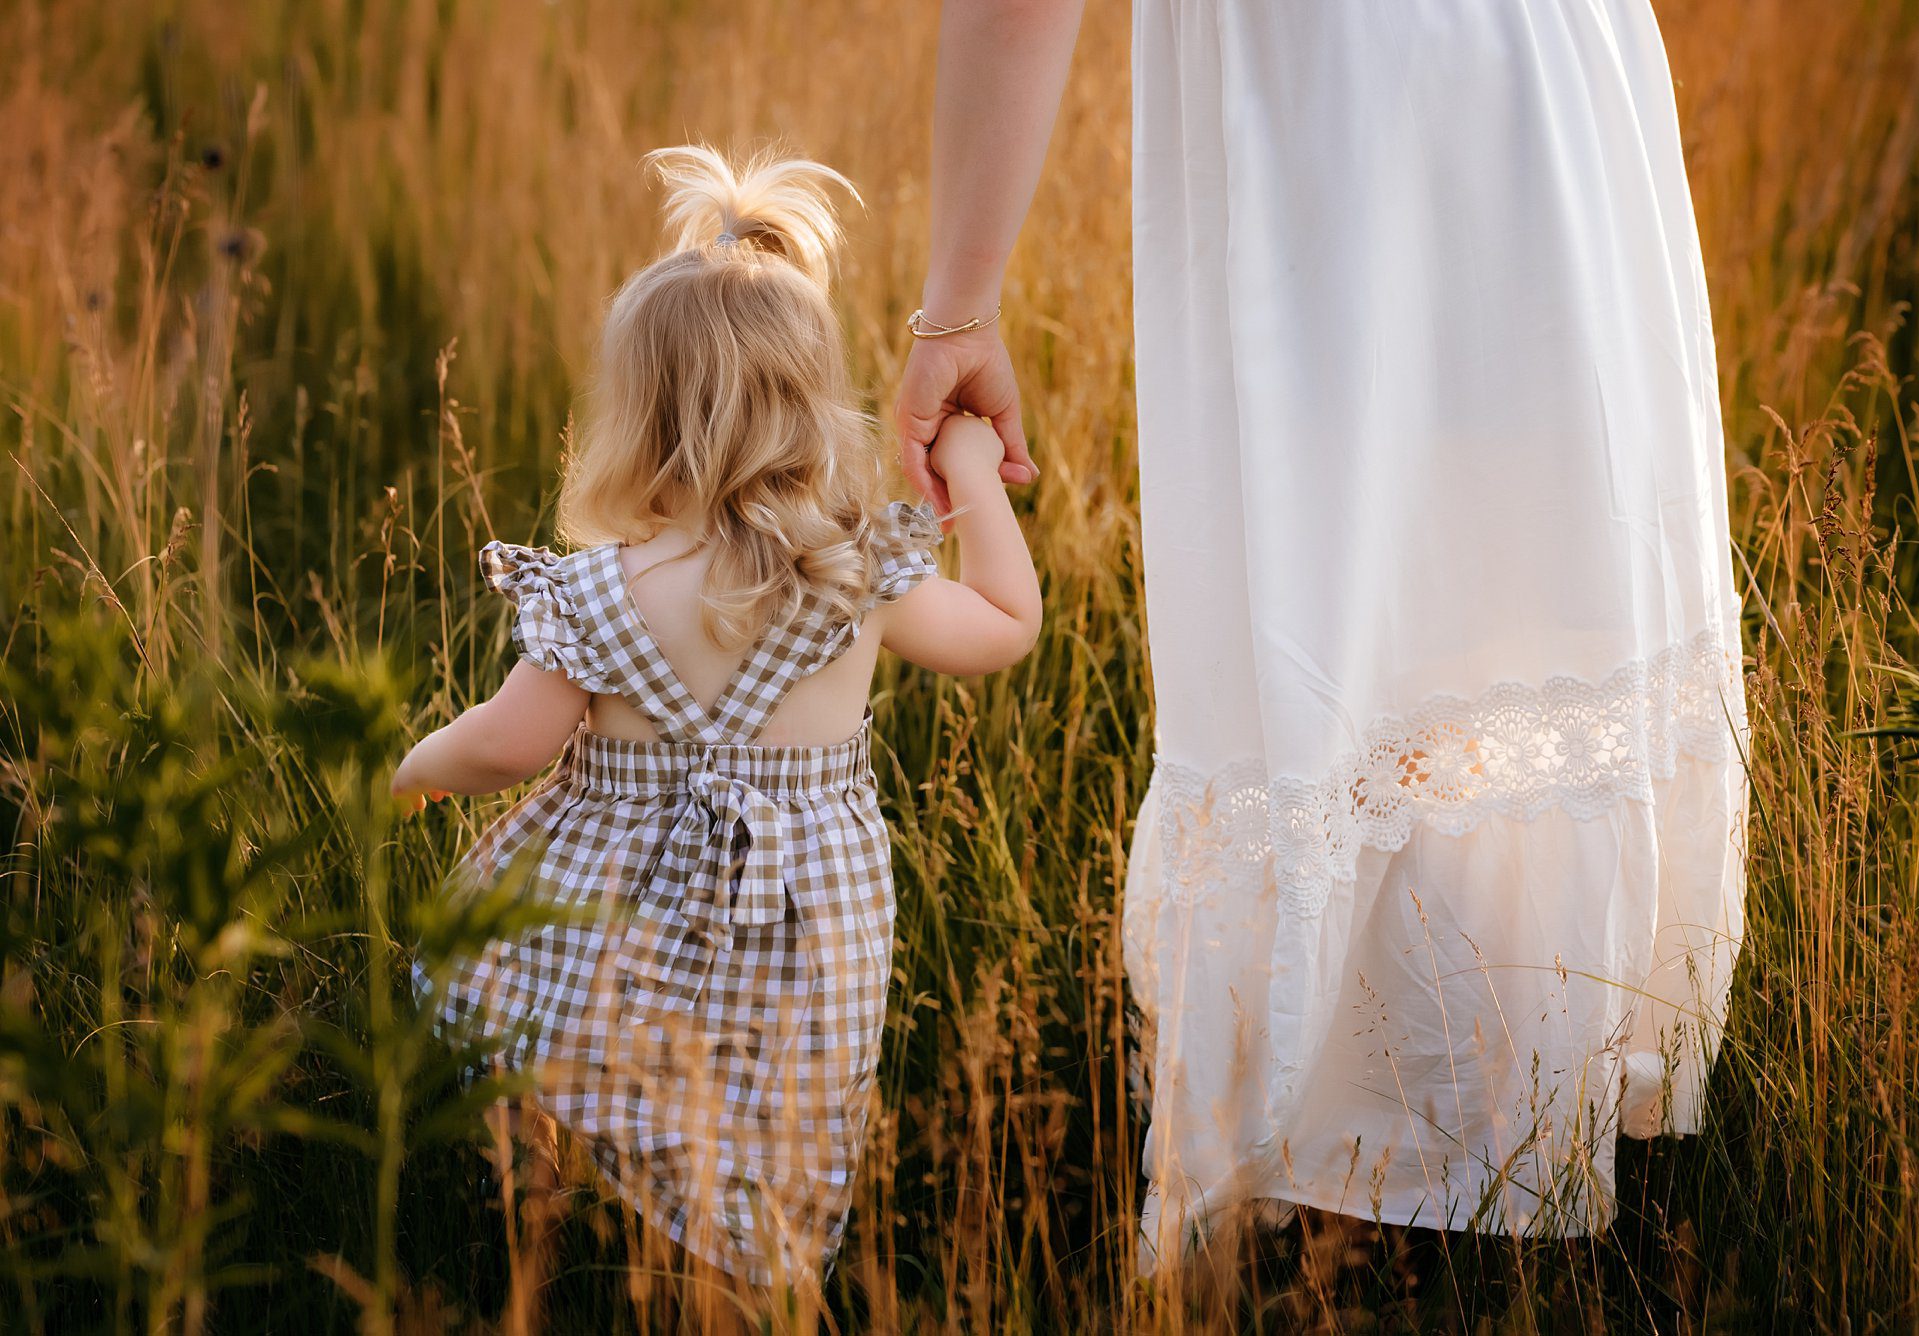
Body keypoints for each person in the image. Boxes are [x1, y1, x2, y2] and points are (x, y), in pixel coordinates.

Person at [896, 0, 1749, 1270]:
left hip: (1334, 103)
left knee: (1334, 608)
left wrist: (954, 310)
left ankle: (1371, 1175)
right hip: (1555, 66)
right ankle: (1508, 1125)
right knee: (1501, 580)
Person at [394, 145, 1041, 1292]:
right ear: (810, 405)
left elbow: (508, 741)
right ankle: (734, 1274)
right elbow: (1002, 623)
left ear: (636, 415)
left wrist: (410, 769)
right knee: (771, 1114)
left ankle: (540, 1207)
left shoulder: (601, 589)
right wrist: (973, 471)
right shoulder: (858, 577)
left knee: (542, 1035)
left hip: (608, 917)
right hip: (803, 924)